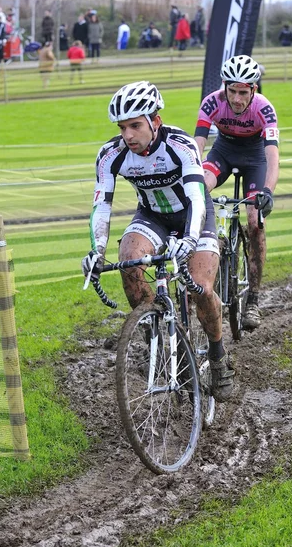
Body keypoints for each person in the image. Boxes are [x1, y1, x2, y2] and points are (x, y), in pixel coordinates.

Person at [81, 81, 234, 403]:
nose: (128, 136)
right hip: (153, 216)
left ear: (155, 122)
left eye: (135, 126)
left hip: (194, 214)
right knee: (129, 259)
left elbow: (196, 197)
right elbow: (102, 206)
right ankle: (161, 337)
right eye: (122, 127)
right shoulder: (110, 155)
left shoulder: (180, 145)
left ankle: (219, 357)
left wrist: (191, 239)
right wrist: (96, 251)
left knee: (202, 288)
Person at [194, 55, 279, 329]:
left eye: (244, 92)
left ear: (254, 89)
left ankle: (253, 299)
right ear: (225, 86)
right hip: (224, 153)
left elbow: (273, 156)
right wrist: (190, 182)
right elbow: (197, 146)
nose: (238, 98)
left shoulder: (264, 109)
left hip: (255, 158)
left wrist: (267, 190)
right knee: (200, 184)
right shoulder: (211, 102)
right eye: (233, 91)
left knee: (255, 222)